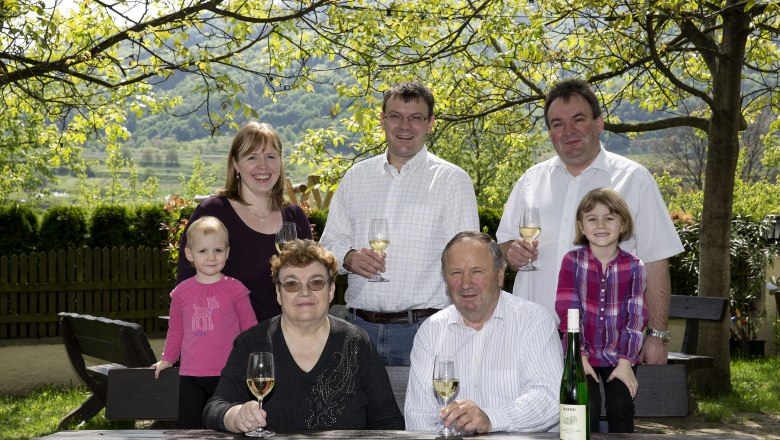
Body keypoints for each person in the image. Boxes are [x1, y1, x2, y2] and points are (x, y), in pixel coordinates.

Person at [496, 78, 683, 364]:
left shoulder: (634, 179)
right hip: (530, 337)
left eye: (578, 120)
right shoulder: (530, 180)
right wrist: (512, 252)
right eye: (557, 124)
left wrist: (657, 335)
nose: (568, 131)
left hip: (607, 346)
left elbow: (656, 260)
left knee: (599, 411)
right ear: (549, 132)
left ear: (599, 123)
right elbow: (503, 244)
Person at [319, 81, 480, 366]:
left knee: (426, 413)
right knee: (359, 413)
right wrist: (349, 257)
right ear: (382, 120)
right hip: (358, 332)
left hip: (425, 331)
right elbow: (327, 246)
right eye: (395, 116)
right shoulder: (357, 177)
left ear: (430, 123)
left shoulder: (452, 181)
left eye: (415, 117)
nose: (404, 125)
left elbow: (468, 261)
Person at [203, 239, 404, 433]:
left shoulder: (357, 342)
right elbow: (215, 408)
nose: (304, 292)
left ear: (331, 290)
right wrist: (236, 415)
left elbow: (387, 419)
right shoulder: (252, 343)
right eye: (291, 284)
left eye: (316, 283)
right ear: (278, 293)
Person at [405, 232, 562, 434]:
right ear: (445, 280)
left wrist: (491, 418)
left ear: (499, 275)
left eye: (477, 271)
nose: (466, 283)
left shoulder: (533, 321)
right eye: (456, 273)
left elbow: (549, 398)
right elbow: (419, 416)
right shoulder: (431, 332)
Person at [177, 121, 313, 324]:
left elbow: (310, 282)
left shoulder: (295, 217)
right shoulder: (213, 213)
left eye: (271, 156)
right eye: (252, 157)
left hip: (289, 341)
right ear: (235, 164)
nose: (263, 166)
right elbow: (187, 286)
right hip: (228, 345)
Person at [555, 188, 647, 433]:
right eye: (592, 218)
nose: (601, 224)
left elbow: (635, 318)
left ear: (623, 223)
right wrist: (579, 358)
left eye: (609, 217)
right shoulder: (572, 262)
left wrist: (626, 362)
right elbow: (568, 313)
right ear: (581, 226)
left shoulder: (634, 266)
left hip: (619, 355)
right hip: (581, 354)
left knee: (621, 405)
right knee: (587, 406)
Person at [153, 216, 258, 428]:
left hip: (229, 375)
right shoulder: (181, 292)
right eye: (203, 251)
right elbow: (176, 330)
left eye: (218, 250)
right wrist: (167, 359)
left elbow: (250, 329)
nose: (211, 257)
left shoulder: (236, 289)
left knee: (227, 430)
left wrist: (252, 363)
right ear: (189, 255)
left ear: (227, 253)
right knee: (189, 429)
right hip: (191, 376)